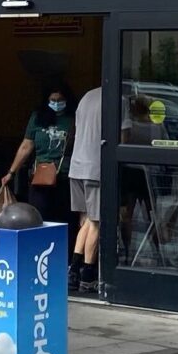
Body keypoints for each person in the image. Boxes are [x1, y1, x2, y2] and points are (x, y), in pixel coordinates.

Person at [6, 88, 72, 224]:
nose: (56, 103)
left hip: (65, 176)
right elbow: (26, 146)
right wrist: (11, 172)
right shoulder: (38, 117)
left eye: (60, 100)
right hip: (40, 176)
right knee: (38, 217)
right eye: (53, 100)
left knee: (64, 219)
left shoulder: (73, 119)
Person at [67, 82, 104, 292]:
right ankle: (88, 273)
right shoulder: (119, 99)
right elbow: (123, 138)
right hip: (96, 168)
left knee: (87, 221)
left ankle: (73, 269)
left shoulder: (87, 95)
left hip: (78, 166)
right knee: (97, 223)